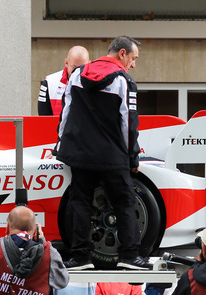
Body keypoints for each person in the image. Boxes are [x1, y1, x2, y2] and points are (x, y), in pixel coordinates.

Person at [53, 35, 148, 271]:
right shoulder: (124, 82)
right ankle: (129, 255)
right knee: (125, 201)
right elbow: (129, 123)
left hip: (80, 153)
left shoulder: (77, 74)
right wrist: (132, 156)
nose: (134, 64)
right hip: (111, 155)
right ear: (122, 54)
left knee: (80, 201)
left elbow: (66, 113)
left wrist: (61, 145)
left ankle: (80, 258)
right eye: (133, 58)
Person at [37, 45, 90, 117]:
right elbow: (44, 118)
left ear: (89, 64)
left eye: (82, 67)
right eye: (74, 67)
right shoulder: (49, 83)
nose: (78, 72)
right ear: (66, 63)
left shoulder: (97, 83)